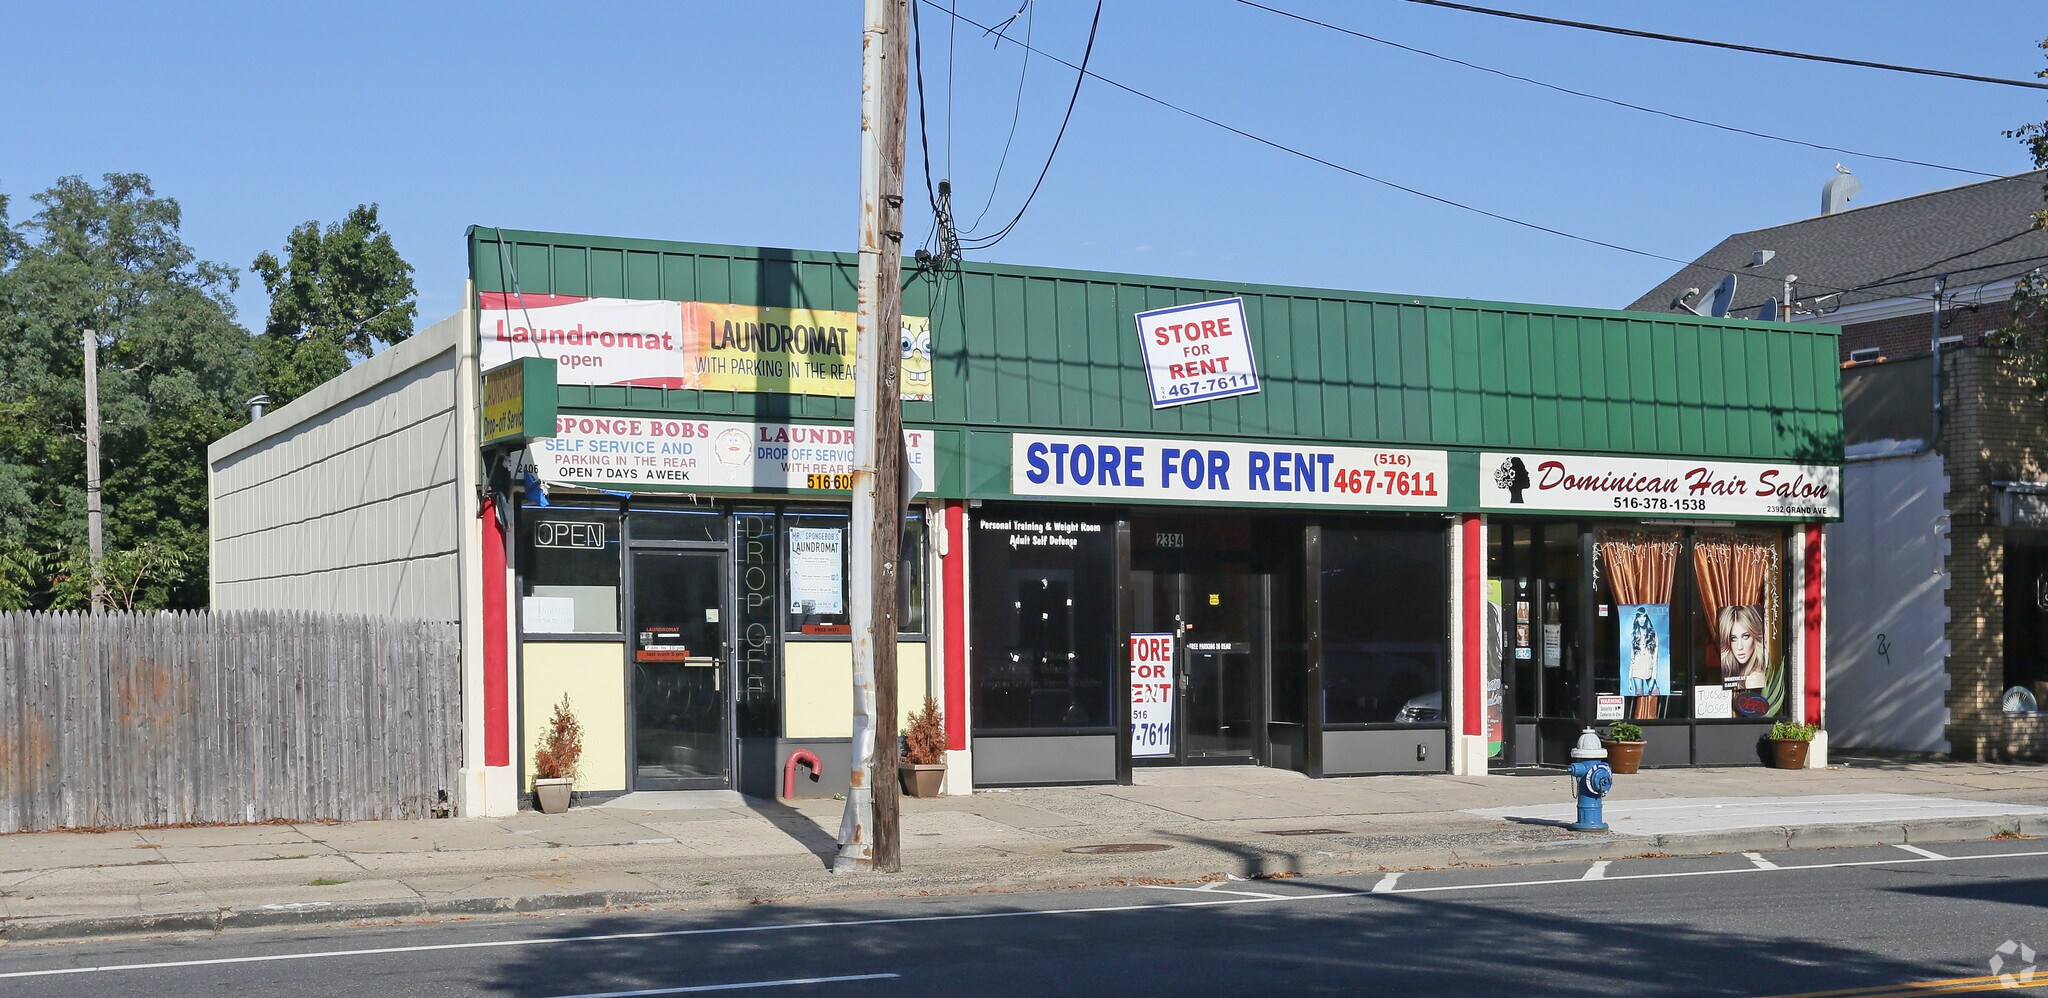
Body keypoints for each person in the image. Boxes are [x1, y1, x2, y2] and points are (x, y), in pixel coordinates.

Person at [1718, 604, 1768, 688]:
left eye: (1745, 636)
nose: (1740, 647)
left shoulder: (1755, 678)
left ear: (1755, 636)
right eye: (1733, 638)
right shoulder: (1735, 671)